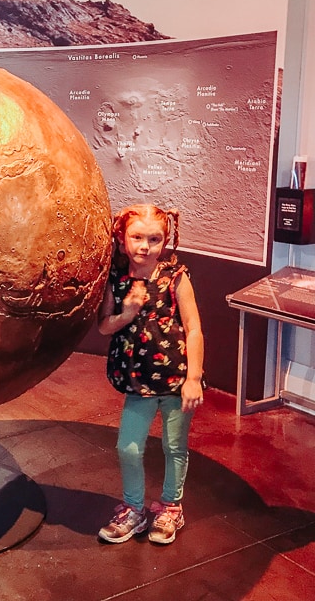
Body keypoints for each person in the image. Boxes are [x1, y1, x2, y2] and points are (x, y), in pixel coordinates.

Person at [96, 203, 204, 545]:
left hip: (175, 379)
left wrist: (194, 378)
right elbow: (104, 327)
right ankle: (134, 508)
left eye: (154, 239)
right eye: (137, 237)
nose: (145, 246)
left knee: (174, 446)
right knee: (128, 447)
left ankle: (171, 507)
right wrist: (128, 311)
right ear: (122, 237)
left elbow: (194, 328)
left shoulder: (176, 277)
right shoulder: (115, 279)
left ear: (165, 240)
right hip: (138, 381)